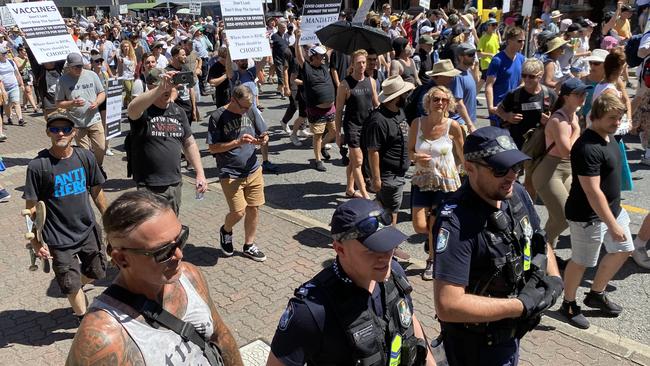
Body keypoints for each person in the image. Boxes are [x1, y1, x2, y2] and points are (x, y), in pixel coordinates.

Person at [432, 126, 563, 365]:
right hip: (476, 349)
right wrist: (521, 305)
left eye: (516, 167)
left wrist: (553, 278)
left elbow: (539, 240)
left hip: (511, 335)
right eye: (501, 169)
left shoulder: (516, 194)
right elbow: (448, 305)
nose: (512, 175)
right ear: (470, 168)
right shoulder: (456, 223)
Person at [66, 190, 244, 365]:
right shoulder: (102, 338)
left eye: (181, 238)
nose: (179, 254)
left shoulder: (189, 276)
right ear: (122, 258)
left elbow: (220, 336)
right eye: (163, 251)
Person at [267, 199, 436, 366]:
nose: (385, 257)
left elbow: (408, 318)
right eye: (372, 250)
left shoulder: (395, 274)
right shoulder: (310, 312)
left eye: (389, 244)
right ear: (340, 249)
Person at [23, 111, 108, 323]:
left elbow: (97, 191)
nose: (60, 132)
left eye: (66, 129)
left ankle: (73, 284)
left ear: (74, 132)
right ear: (47, 132)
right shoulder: (37, 166)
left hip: (87, 229)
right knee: (70, 286)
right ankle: (83, 319)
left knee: (97, 272)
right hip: (58, 238)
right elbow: (31, 210)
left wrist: (110, 219)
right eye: (54, 129)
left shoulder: (85, 157)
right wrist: (35, 242)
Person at [560, 92, 634, 330]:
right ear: (596, 117)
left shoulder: (608, 136)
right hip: (588, 217)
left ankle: (595, 294)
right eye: (612, 118)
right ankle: (568, 304)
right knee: (582, 261)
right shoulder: (587, 147)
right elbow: (592, 192)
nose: (617, 123)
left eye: (619, 118)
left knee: (624, 249)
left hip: (613, 209)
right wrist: (612, 225)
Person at [125, 68, 207, 215]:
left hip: (174, 183)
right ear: (151, 87)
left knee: (172, 224)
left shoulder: (178, 112)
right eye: (162, 86)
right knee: (153, 229)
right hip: (150, 185)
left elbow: (189, 143)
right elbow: (132, 109)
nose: (167, 90)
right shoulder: (144, 111)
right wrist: (160, 88)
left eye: (170, 86)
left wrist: (200, 173)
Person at [207, 85, 268, 262]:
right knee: (238, 212)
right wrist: (236, 142)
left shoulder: (250, 110)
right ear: (233, 100)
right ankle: (226, 230)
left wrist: (263, 139)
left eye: (250, 106)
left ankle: (249, 245)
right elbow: (212, 148)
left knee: (254, 208)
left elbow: (264, 133)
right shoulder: (218, 116)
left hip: (253, 169)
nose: (247, 110)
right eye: (244, 107)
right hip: (230, 172)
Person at [409, 86, 464, 281]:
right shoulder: (417, 123)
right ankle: (433, 241)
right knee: (419, 225)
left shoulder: (453, 126)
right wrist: (415, 157)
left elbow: (463, 154)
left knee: (435, 223)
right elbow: (409, 151)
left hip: (445, 182)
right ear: (428, 102)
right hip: (422, 179)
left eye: (444, 100)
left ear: (449, 103)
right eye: (436, 99)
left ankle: (432, 260)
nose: (440, 103)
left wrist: (469, 177)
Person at [532, 78, 590, 249]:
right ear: (565, 96)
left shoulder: (572, 116)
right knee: (564, 218)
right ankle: (538, 250)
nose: (583, 96)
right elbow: (567, 150)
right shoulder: (559, 120)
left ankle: (548, 257)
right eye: (578, 94)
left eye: (584, 93)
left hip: (566, 169)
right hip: (550, 172)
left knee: (557, 217)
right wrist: (578, 130)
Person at [363, 75, 413, 224]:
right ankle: (390, 243)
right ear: (397, 97)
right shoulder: (378, 120)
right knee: (391, 213)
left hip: (397, 172)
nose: (407, 96)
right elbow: (373, 151)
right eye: (405, 94)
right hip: (388, 176)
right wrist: (377, 179)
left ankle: (374, 237)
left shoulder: (399, 111)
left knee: (382, 207)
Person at [335, 49, 379, 198]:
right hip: (352, 127)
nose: (362, 65)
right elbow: (339, 111)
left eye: (364, 62)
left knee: (354, 161)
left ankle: (349, 189)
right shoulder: (344, 85)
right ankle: (365, 196)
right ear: (352, 64)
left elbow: (376, 104)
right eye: (358, 62)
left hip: (367, 126)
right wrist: (337, 134)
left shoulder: (371, 81)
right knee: (358, 161)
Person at [295, 29, 337, 172]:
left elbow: (330, 49)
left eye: (323, 56)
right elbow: (299, 56)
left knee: (334, 132)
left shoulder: (324, 65)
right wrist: (297, 39)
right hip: (316, 110)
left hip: (330, 108)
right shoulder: (307, 68)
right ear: (313, 57)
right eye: (320, 56)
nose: (323, 58)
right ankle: (318, 159)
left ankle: (322, 148)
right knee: (318, 136)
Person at [55, 52, 107, 170]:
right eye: (75, 67)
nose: (79, 69)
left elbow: (101, 93)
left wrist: (97, 102)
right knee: (85, 152)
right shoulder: (62, 80)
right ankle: (90, 172)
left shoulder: (92, 75)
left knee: (101, 147)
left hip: (94, 118)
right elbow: (58, 103)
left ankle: (98, 167)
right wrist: (72, 103)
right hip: (76, 122)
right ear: (69, 66)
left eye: (80, 66)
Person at [485, 27, 526, 127]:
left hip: (514, 106)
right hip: (499, 108)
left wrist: (516, 93)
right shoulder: (497, 60)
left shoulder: (522, 59)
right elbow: (489, 85)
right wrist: (491, 107)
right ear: (509, 41)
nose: (522, 43)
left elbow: (523, 82)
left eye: (524, 41)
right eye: (519, 41)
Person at [166, 45, 197, 124]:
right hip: (175, 111)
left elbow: (191, 89)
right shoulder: (168, 71)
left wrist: (194, 108)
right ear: (176, 56)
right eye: (183, 55)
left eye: (185, 55)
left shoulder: (185, 69)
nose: (185, 57)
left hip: (188, 109)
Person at [451, 43, 478, 133]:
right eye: (470, 55)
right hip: (462, 124)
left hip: (468, 123)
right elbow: (459, 103)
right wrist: (469, 124)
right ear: (461, 57)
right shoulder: (457, 76)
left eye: (474, 54)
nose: (474, 57)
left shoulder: (468, 72)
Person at [0, 45, 25, 126]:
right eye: (3, 53)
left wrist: (21, 84)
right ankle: (9, 118)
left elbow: (17, 74)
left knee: (16, 102)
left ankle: (20, 119)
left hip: (14, 86)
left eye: (6, 53)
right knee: (7, 105)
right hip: (3, 88)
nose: (5, 54)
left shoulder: (11, 62)